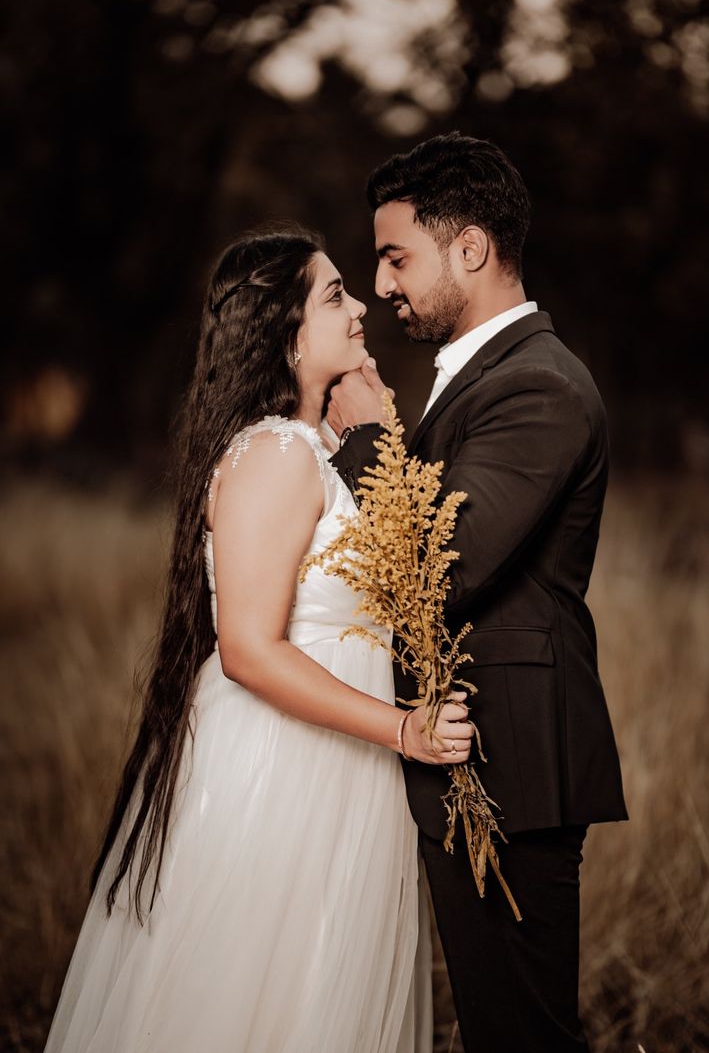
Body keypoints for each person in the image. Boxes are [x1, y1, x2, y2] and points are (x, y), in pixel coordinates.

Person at [44, 230, 473, 1053]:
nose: (359, 310)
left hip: (336, 760)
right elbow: (246, 648)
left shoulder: (314, 451)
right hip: (282, 766)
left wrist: (376, 435)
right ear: (286, 333)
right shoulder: (275, 454)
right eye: (335, 297)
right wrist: (403, 731)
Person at [328, 133, 629, 1053]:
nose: (381, 285)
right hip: (462, 754)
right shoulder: (480, 379)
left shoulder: (540, 387)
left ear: (471, 249)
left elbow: (442, 564)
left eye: (394, 257)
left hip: (508, 766)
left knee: (522, 1037)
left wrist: (367, 440)